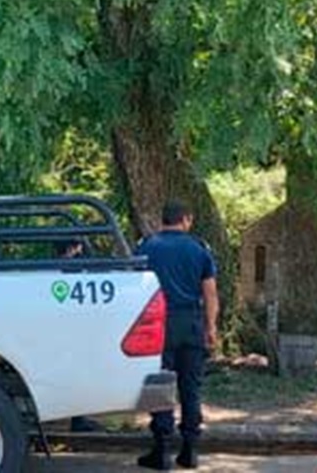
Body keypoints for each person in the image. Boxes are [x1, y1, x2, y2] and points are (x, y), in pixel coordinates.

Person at [136, 200, 220, 470]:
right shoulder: (199, 249)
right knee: (190, 388)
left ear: (163, 220)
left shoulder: (146, 247)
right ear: (186, 219)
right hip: (192, 323)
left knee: (160, 384)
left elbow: (135, 288)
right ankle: (190, 450)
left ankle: (161, 451)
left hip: (157, 324)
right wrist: (211, 327)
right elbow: (210, 293)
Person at [54, 238, 106, 434]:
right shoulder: (77, 269)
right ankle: (78, 419)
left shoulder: (51, 269)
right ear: (73, 248)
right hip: (78, 329)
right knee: (79, 373)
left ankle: (75, 417)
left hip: (60, 330)